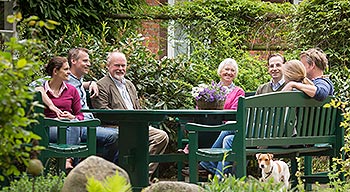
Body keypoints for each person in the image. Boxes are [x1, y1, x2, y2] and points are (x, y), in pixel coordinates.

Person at [91, 51, 169, 177]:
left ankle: (142, 175)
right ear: (108, 66)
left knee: (161, 137)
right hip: (116, 127)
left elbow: (137, 108)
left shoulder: (129, 85)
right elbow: (102, 112)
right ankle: (133, 176)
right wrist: (127, 120)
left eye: (123, 66)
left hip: (137, 125)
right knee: (123, 138)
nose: (120, 69)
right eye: (117, 65)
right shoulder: (102, 85)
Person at [66, 48, 119, 164]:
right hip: (79, 126)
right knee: (115, 137)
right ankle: (102, 170)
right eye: (85, 61)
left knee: (125, 134)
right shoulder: (64, 81)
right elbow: (43, 84)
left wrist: (90, 83)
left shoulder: (78, 80)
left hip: (91, 123)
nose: (89, 64)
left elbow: (78, 84)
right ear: (73, 61)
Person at [195, 58, 245, 178]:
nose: (229, 72)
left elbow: (234, 111)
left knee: (224, 133)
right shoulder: (210, 90)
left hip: (225, 126)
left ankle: (205, 163)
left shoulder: (239, 91)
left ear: (235, 74)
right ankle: (207, 165)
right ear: (220, 71)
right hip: (209, 125)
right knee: (200, 129)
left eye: (232, 70)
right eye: (226, 69)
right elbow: (199, 107)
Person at [35, 56, 83, 169]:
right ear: (55, 71)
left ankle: (67, 160)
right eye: (66, 69)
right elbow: (36, 89)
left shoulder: (72, 90)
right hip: (48, 129)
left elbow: (80, 115)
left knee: (73, 125)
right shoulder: (41, 88)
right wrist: (52, 107)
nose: (69, 72)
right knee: (73, 131)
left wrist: (71, 117)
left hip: (68, 127)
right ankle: (66, 161)